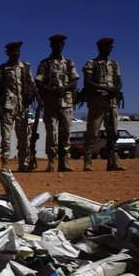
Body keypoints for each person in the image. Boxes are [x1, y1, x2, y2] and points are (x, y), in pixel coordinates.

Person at [35, 34, 80, 172]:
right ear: (51, 46)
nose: (58, 46)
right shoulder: (45, 63)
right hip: (50, 103)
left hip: (66, 102)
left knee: (66, 133)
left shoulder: (69, 63)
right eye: (56, 44)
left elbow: (74, 81)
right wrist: (50, 90)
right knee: (52, 133)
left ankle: (65, 162)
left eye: (61, 44)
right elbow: (38, 81)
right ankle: (51, 161)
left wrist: (64, 88)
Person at [0, 41, 38, 172]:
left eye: (17, 51)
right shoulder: (2, 69)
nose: (16, 54)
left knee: (24, 138)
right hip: (7, 107)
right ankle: (5, 164)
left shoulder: (25, 67)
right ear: (8, 53)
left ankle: (23, 162)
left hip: (22, 107)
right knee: (6, 138)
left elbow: (32, 84)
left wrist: (38, 98)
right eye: (13, 52)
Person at [82, 38, 125, 171]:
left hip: (111, 103)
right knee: (92, 133)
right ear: (100, 48)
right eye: (106, 46)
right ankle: (88, 161)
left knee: (112, 133)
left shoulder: (114, 64)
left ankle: (113, 161)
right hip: (96, 103)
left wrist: (116, 90)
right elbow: (87, 83)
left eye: (110, 47)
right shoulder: (92, 63)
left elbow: (118, 82)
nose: (109, 49)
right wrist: (107, 89)